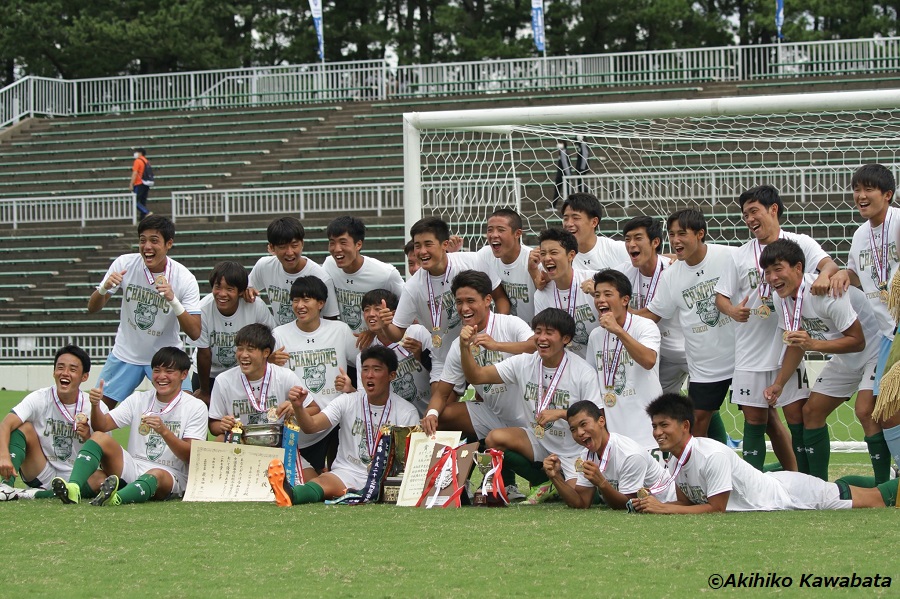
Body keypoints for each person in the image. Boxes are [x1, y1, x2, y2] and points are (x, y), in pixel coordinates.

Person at [714, 185, 837, 471]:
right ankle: (754, 484)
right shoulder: (739, 255)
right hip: (749, 349)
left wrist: (824, 277)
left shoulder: (799, 242)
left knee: (797, 416)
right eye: (744, 214)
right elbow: (721, 296)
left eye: (754, 211)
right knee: (754, 419)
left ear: (773, 209)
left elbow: (828, 264)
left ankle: (809, 480)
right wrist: (733, 310)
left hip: (787, 345)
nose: (749, 219)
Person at [632, 393, 898, 513]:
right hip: (779, 488)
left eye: (664, 425)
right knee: (845, 490)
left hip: (791, 495)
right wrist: (652, 505)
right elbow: (688, 503)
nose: (657, 432)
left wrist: (665, 510)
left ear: (685, 426)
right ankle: (886, 475)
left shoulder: (712, 455)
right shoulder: (677, 459)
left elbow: (715, 509)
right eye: (654, 426)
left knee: (874, 500)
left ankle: (889, 478)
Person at [760, 239, 881, 481]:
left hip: (874, 352)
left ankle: (884, 485)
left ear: (798, 268)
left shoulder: (826, 292)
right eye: (768, 272)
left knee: (864, 411)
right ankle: (817, 485)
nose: (772, 278)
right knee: (812, 411)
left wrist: (814, 344)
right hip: (845, 358)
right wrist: (779, 384)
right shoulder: (780, 298)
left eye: (778, 269)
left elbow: (858, 340)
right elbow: (796, 345)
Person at [460, 308, 602, 504]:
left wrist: (561, 413)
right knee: (495, 438)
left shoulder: (583, 372)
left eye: (549, 332)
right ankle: (543, 481)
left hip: (573, 449)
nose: (541, 338)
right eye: (537, 331)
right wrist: (464, 347)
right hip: (538, 440)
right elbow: (476, 376)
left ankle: (557, 484)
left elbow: (595, 417)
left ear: (566, 339)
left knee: (581, 498)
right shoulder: (523, 363)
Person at [423, 271, 535, 500]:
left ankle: (529, 481)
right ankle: (455, 482)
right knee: (443, 416)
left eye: (470, 301)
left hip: (528, 417)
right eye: (459, 302)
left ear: (487, 300)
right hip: (493, 414)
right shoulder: (459, 344)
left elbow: (535, 346)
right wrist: (431, 413)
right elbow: (442, 393)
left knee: (496, 438)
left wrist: (497, 346)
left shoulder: (511, 324)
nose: (464, 308)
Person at [53, 347, 209, 506]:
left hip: (171, 474)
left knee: (155, 474)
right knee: (99, 437)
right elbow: (102, 425)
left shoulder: (195, 407)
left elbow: (191, 456)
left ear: (183, 375)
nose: (161, 376)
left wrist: (164, 431)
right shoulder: (139, 399)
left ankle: (116, 498)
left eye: (169, 371)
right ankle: (72, 488)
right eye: (156, 370)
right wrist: (95, 405)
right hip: (133, 466)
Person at [267, 346, 420, 506]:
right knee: (323, 482)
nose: (369, 375)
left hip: (385, 478)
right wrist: (298, 407)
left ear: (391, 375)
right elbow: (311, 426)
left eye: (376, 369)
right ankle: (290, 495)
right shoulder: (347, 401)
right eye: (365, 369)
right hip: (348, 472)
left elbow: (409, 460)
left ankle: (356, 494)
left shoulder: (406, 412)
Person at [636, 208, 736, 444]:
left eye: (682, 233)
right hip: (704, 364)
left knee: (762, 417)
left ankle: (785, 473)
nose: (675, 240)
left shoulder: (730, 257)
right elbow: (653, 313)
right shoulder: (671, 276)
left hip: (740, 355)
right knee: (697, 421)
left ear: (700, 234)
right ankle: (698, 477)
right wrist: (619, 314)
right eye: (671, 234)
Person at [831, 164, 900, 480]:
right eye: (856, 189)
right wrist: (845, 273)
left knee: (887, 408)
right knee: (880, 410)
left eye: (868, 189)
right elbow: (860, 273)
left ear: (887, 195)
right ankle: (893, 475)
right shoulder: (860, 235)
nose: (860, 196)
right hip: (888, 333)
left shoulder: (898, 222)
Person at [88, 215, 201, 408]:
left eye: (154, 240)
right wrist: (103, 289)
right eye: (142, 240)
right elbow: (92, 308)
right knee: (98, 410)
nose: (147, 246)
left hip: (166, 356)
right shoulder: (124, 264)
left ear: (169, 244)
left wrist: (173, 300)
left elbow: (195, 332)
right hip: (125, 353)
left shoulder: (184, 278)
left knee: (185, 409)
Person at [376, 216, 505, 385]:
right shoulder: (413, 287)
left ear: (445, 244)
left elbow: (500, 298)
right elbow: (396, 334)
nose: (422, 251)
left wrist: (498, 332)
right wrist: (386, 324)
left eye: (428, 244)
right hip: (445, 358)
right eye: (417, 246)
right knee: (440, 409)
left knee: (493, 402)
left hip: (484, 350)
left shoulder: (472, 262)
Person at [272, 276, 358, 473]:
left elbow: (363, 362)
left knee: (340, 473)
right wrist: (269, 361)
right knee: (306, 478)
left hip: (336, 420)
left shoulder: (340, 330)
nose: (300, 305)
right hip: (300, 424)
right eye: (295, 300)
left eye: (306, 299)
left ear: (321, 303)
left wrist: (352, 387)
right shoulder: (279, 335)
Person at [0, 346, 107, 501]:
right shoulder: (39, 398)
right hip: (42, 469)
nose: (65, 373)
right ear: (54, 371)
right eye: (60, 367)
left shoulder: (95, 406)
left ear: (84, 376)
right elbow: (5, 424)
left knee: (102, 479)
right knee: (22, 426)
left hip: (77, 474)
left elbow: (105, 452)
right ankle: (5, 486)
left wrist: (88, 438)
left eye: (72, 369)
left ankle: (31, 494)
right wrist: (3, 456)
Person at [543, 400, 675, 510]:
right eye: (573, 429)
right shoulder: (587, 454)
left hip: (670, 502)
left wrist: (602, 483)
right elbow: (581, 502)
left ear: (601, 421)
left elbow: (627, 505)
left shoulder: (630, 454)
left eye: (583, 424)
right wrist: (556, 477)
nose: (580, 433)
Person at [585, 269, 661, 451]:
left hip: (646, 430)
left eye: (607, 294)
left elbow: (649, 360)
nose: (600, 300)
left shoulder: (644, 326)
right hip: (614, 433)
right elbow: (591, 379)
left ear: (625, 300)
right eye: (597, 295)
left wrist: (618, 330)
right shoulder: (596, 335)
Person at [614, 216, 688, 395]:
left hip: (688, 349)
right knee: (658, 405)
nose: (631, 244)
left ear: (655, 242)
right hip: (659, 354)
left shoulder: (673, 269)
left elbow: (652, 316)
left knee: (703, 406)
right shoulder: (624, 272)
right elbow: (596, 280)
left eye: (638, 238)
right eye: (627, 239)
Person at [194, 261, 275, 405]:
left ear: (241, 291)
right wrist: (205, 391)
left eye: (229, 289)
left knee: (240, 419)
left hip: (242, 372)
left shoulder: (256, 306)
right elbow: (204, 353)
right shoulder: (203, 309)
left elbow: (271, 338)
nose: (222, 294)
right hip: (207, 374)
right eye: (217, 287)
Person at [208, 324, 300, 439]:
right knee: (220, 439)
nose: (243, 355)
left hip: (275, 445)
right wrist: (223, 425)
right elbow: (213, 424)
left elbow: (313, 408)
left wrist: (296, 408)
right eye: (240, 349)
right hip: (240, 447)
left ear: (266, 352)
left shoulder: (285, 376)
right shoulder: (223, 380)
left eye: (250, 350)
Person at [247, 216, 339, 327]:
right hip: (280, 338)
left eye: (294, 245)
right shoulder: (264, 266)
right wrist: (247, 289)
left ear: (302, 244)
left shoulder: (321, 278)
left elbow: (331, 319)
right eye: (282, 247)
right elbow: (248, 288)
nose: (290, 252)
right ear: (271, 247)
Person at [321, 216, 405, 335]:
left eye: (343, 242)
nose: (337, 249)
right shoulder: (329, 265)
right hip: (345, 341)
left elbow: (407, 307)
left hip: (378, 344)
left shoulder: (386, 273)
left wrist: (375, 331)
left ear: (358, 244)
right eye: (332, 243)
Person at [358, 289, 432, 416]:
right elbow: (365, 393)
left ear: (393, 313)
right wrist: (350, 389)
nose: (371, 314)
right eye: (366, 310)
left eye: (377, 309)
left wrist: (421, 357)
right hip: (399, 420)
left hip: (432, 411)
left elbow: (441, 371)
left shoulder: (417, 332)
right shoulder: (366, 354)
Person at [533, 227, 599, 359]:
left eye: (553, 252)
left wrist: (598, 295)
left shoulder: (595, 282)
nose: (547, 258)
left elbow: (623, 317)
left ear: (571, 255)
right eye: (543, 253)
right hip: (567, 367)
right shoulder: (541, 294)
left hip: (602, 363)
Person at [476, 208, 539, 324]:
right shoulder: (484, 255)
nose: (494, 235)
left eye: (501, 230)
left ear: (517, 233)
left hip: (536, 332)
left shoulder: (533, 261)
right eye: (490, 230)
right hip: (507, 331)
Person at [559, 193, 629, 272]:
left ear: (594, 222)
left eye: (576, 218)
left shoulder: (619, 250)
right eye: (565, 219)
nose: (569, 224)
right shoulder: (558, 256)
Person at [131, 147, 152, 220]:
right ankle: (142, 217)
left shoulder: (138, 161)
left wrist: (131, 184)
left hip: (139, 183)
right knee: (142, 201)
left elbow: (135, 173)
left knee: (135, 201)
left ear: (140, 153)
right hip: (146, 183)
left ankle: (146, 212)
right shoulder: (146, 161)